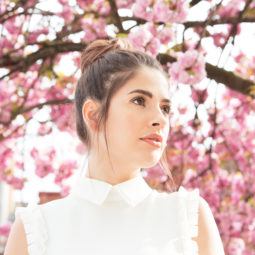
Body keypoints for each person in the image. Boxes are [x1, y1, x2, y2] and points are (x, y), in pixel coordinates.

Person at [4, 38, 225, 255]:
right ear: (93, 115)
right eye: (139, 100)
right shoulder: (34, 229)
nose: (160, 119)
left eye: (165, 108)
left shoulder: (189, 219)